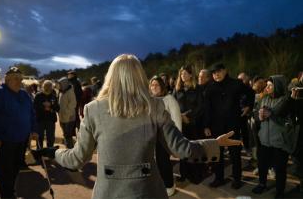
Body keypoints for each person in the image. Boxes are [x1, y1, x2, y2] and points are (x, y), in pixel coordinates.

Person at [35, 54, 242, 199]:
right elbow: (182, 149)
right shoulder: (156, 106)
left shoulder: (93, 109)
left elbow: (77, 159)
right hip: (148, 191)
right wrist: (215, 143)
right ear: (140, 77)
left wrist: (55, 152)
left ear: (111, 76)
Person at [0, 67, 38, 199]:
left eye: (20, 78)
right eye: (15, 78)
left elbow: (31, 114)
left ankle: (10, 192)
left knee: (15, 168)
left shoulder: (24, 94)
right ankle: (7, 195)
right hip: (3, 142)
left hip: (21, 140)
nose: (19, 81)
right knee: (3, 171)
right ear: (7, 79)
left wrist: (34, 129)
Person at [204, 63, 251, 189]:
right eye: (213, 73)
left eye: (218, 71)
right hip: (216, 126)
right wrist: (207, 126)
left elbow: (250, 93)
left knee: (234, 153)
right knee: (217, 154)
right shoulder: (210, 88)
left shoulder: (236, 83)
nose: (216, 75)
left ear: (225, 70)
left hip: (233, 125)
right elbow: (207, 108)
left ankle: (237, 179)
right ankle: (219, 179)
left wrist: (248, 106)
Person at [252, 75, 297, 199]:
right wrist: (259, 117)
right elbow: (256, 113)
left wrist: (269, 113)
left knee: (280, 168)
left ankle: (280, 192)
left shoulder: (287, 100)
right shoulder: (264, 98)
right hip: (265, 140)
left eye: (270, 85)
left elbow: (279, 111)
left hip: (280, 141)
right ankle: (262, 184)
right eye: (267, 85)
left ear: (277, 86)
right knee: (262, 164)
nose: (267, 87)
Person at [173, 65, 206, 184]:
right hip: (181, 123)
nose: (183, 76)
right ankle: (184, 174)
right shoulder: (177, 89)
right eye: (181, 74)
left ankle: (196, 175)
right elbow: (173, 105)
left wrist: (190, 118)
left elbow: (200, 106)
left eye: (185, 73)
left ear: (191, 75)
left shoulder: (197, 88)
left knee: (194, 148)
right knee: (182, 148)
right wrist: (180, 116)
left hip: (194, 124)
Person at [149, 75, 182, 196]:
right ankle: (160, 184)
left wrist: (176, 138)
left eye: (156, 84)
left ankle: (169, 185)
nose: (154, 87)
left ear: (162, 86)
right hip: (153, 137)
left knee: (164, 162)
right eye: (152, 85)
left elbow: (177, 119)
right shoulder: (150, 100)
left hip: (166, 136)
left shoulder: (169, 99)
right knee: (155, 163)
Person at [34, 80, 59, 148]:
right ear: (43, 86)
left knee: (50, 138)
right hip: (40, 120)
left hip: (50, 120)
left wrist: (50, 107)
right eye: (46, 86)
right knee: (39, 137)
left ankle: (49, 152)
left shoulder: (54, 96)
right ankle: (39, 152)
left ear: (52, 87)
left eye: (49, 86)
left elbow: (57, 108)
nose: (47, 87)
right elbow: (34, 106)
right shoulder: (38, 95)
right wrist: (43, 107)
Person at [57, 77, 77, 149]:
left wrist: (65, 112)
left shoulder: (70, 92)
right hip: (62, 117)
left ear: (64, 84)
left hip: (69, 118)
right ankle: (68, 149)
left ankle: (70, 151)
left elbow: (73, 104)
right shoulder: (61, 92)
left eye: (60, 84)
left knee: (68, 135)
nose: (59, 86)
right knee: (65, 135)